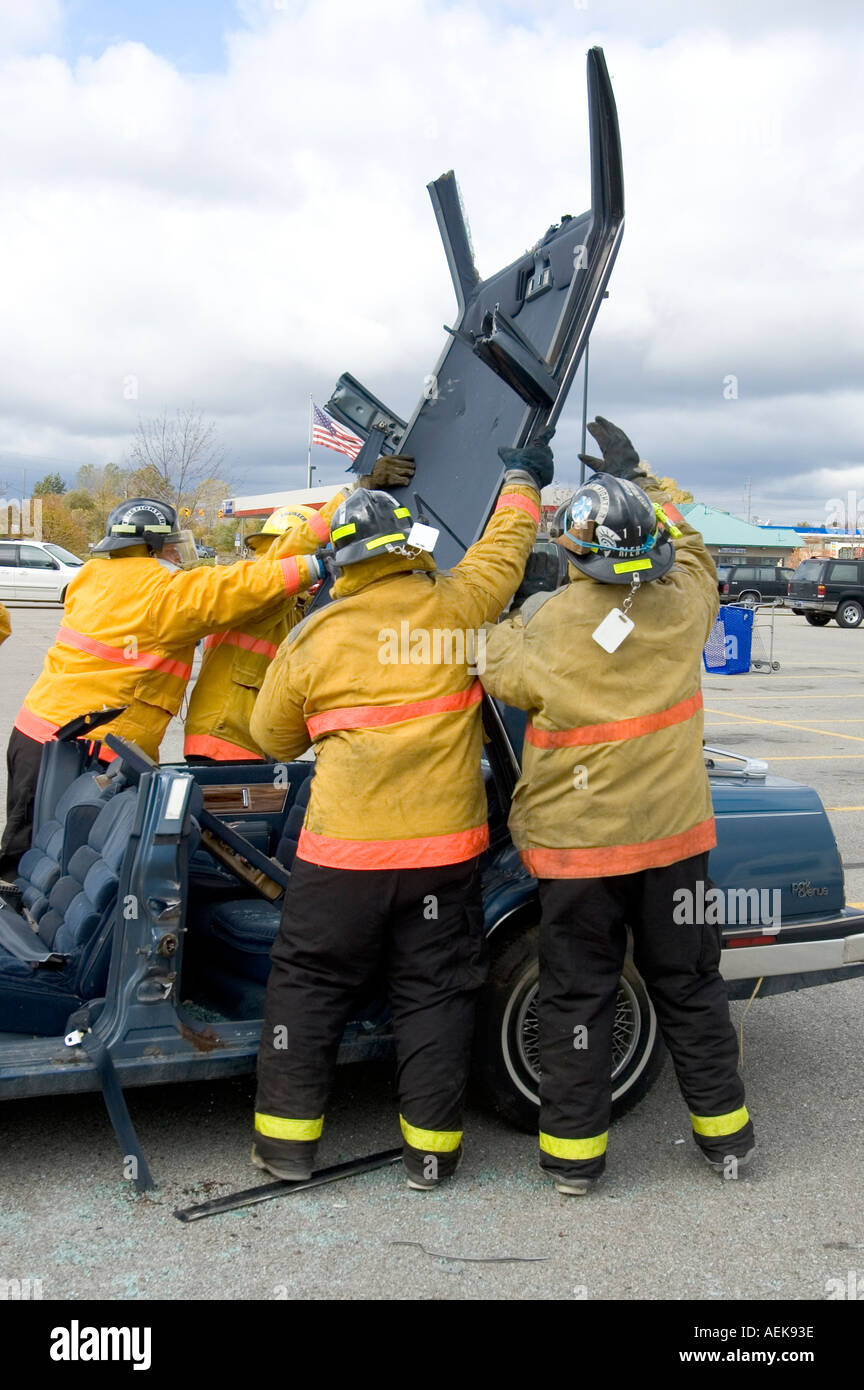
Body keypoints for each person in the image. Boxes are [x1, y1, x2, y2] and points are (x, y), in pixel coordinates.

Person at [247, 433, 554, 1188]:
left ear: (346, 562)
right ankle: (430, 1156)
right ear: (407, 547)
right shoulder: (458, 603)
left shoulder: (316, 636)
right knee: (436, 994)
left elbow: (270, 736)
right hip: (441, 860)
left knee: (309, 989)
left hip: (340, 861)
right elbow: (506, 545)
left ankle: (287, 1148)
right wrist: (521, 477)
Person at [480, 417, 754, 1195]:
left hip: (579, 853)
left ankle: (574, 1161)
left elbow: (491, 659)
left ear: (573, 552)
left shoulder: (546, 629)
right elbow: (695, 544)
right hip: (676, 843)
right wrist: (643, 475)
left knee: (577, 995)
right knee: (692, 986)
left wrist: (518, 556)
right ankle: (727, 1143)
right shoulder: (688, 602)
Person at [0, 500, 325, 880]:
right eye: (172, 546)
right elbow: (239, 587)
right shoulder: (163, 593)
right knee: (54, 861)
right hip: (90, 747)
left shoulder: (91, 576)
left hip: (36, 735)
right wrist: (314, 564)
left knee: (30, 848)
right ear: (151, 547)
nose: (178, 556)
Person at [183, 458, 414, 764]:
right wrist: (358, 490)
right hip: (226, 740)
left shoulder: (293, 607)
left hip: (243, 742)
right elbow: (283, 559)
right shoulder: (262, 588)